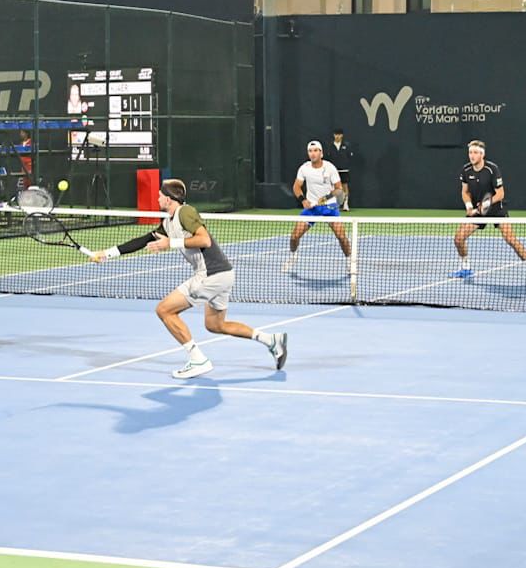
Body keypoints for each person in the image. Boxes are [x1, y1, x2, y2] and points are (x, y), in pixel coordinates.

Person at [90, 177, 286, 380]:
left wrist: (171, 243)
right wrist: (106, 254)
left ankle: (198, 360)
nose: (157, 198)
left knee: (164, 310)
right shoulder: (168, 222)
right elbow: (143, 240)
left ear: (168, 199)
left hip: (211, 274)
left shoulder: (185, 212)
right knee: (215, 325)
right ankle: (271, 340)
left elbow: (204, 240)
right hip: (223, 274)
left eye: (160, 195)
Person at [454, 139, 526, 282]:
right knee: (458, 238)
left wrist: (485, 204)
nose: (472, 155)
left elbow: (500, 194)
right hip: (478, 212)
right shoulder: (466, 170)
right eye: (470, 152)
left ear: (482, 154)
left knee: (510, 239)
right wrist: (469, 206)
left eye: (475, 152)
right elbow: (465, 192)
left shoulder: (492, 169)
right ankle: (466, 267)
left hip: (496, 209)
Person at [283, 139, 352, 275]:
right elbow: (296, 186)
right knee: (294, 236)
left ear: (321, 153)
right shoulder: (304, 168)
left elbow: (339, 189)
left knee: (341, 236)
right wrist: (303, 200)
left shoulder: (330, 168)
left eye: (315, 151)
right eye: (310, 151)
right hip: (312, 208)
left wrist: (326, 198)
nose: (313, 153)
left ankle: (350, 261)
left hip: (329, 207)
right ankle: (293, 256)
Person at [326, 128, 355, 208]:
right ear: (333, 135)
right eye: (336, 134)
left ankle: (345, 204)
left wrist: (345, 164)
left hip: (344, 170)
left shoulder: (347, 145)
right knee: (333, 188)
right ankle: (334, 204)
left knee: (345, 186)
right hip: (333, 171)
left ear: (342, 135)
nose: (337, 136)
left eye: (339, 134)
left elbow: (349, 157)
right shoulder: (330, 146)